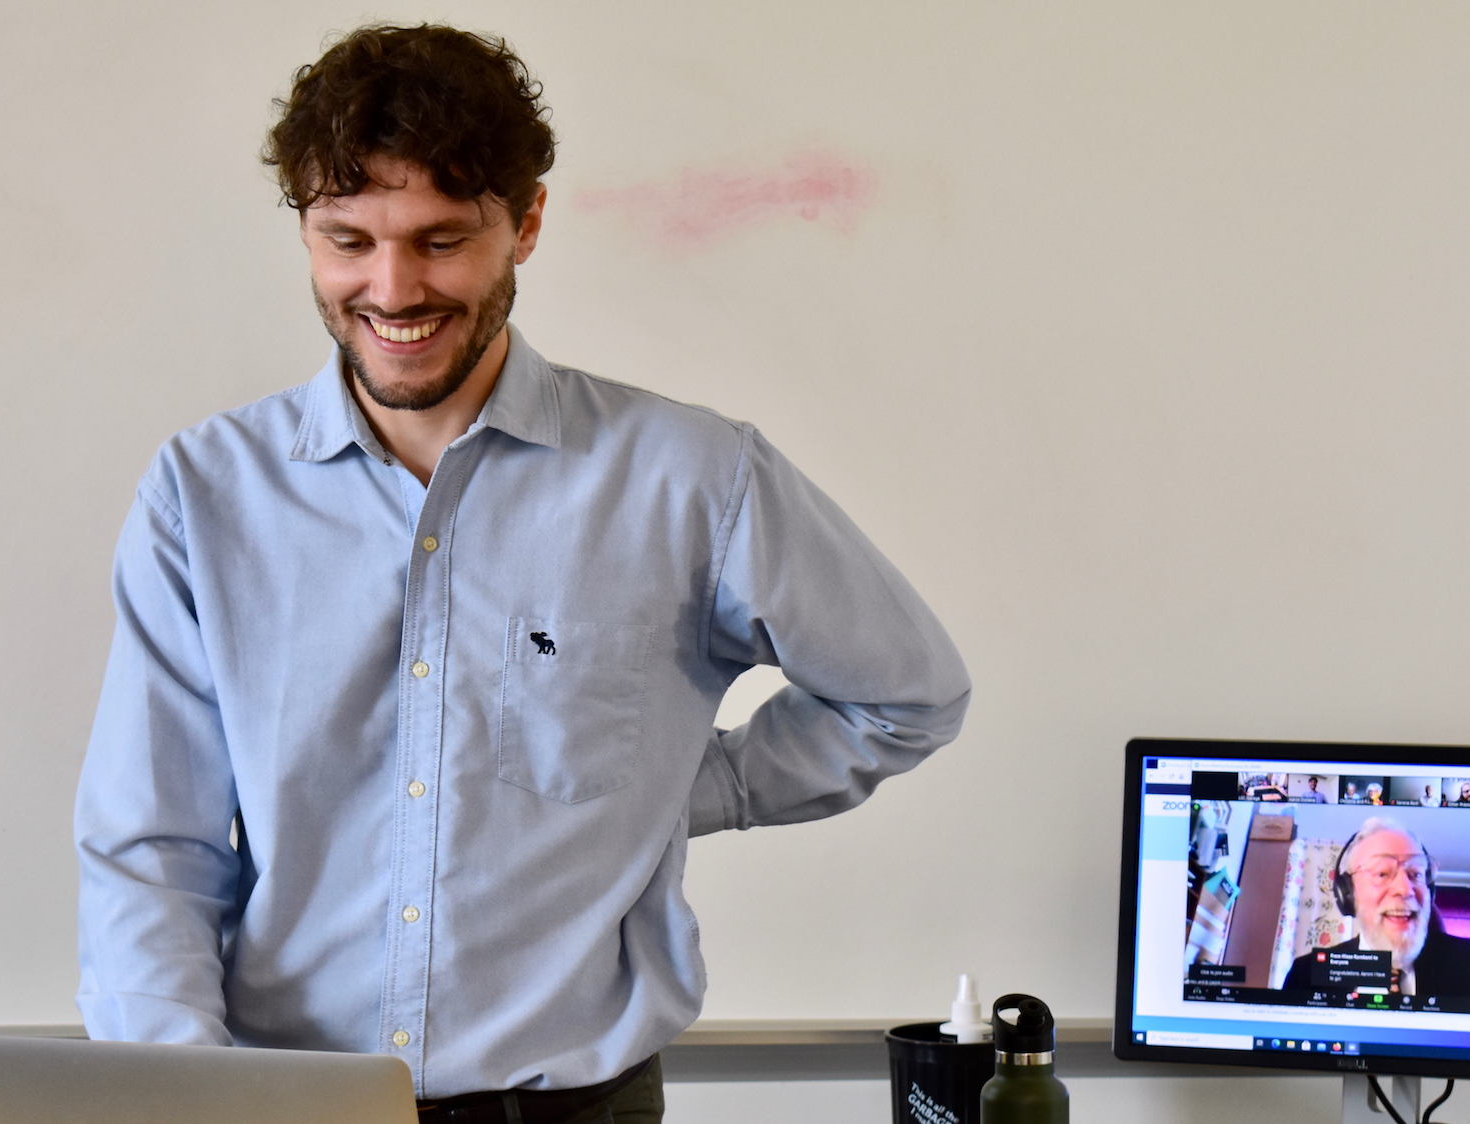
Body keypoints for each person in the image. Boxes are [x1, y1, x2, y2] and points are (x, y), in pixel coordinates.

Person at [72, 24, 970, 1123]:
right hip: (278, 1102)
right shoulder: (204, 492)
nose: (391, 288)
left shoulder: (690, 477)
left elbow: (904, 693)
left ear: (526, 223)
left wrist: (680, 784)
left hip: (576, 1106)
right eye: (345, 239)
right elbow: (152, 843)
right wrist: (175, 1094)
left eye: (441, 239)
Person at [1282, 819, 1470, 1000]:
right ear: (1348, 894)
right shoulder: (1307, 974)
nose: (1405, 889)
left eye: (1416, 874)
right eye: (1382, 873)